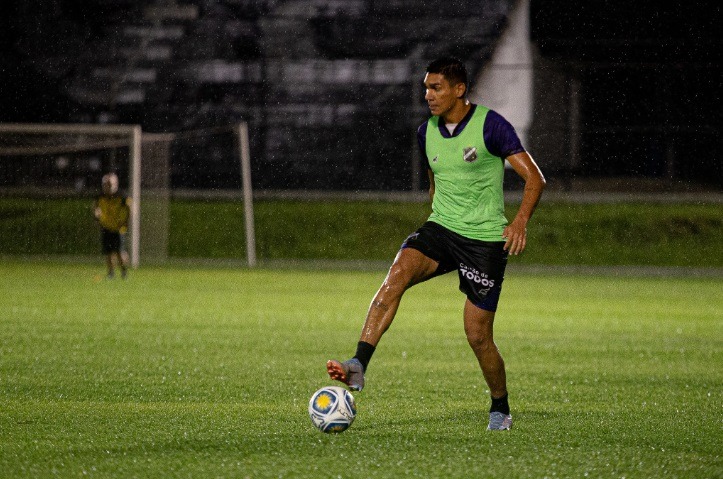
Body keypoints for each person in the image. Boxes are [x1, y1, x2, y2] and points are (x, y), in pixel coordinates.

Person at [326, 57, 546, 431]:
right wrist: (438, 204)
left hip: (483, 240)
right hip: (442, 228)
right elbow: (435, 175)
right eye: (426, 88)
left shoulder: (491, 126)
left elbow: (535, 178)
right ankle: (358, 363)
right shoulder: (425, 132)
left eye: (436, 87)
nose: (428, 95)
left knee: (477, 335)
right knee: (395, 276)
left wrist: (520, 221)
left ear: (459, 90)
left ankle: (500, 406)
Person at [93, 172, 130, 279]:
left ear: (115, 184)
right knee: (108, 252)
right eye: (106, 184)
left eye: (110, 184)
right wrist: (97, 216)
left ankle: (124, 271)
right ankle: (111, 273)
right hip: (106, 226)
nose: (108, 186)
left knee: (119, 251)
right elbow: (96, 208)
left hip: (119, 228)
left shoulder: (122, 196)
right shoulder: (100, 196)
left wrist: (126, 222)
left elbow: (130, 209)